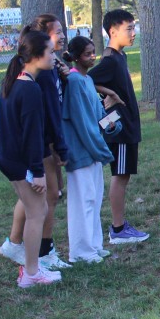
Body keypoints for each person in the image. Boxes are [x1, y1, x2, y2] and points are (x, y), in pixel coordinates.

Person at [0, 14, 71, 270]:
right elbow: (35, 128)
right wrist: (43, 164)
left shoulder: (26, 77)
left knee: (37, 202)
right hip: (32, 152)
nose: (62, 37)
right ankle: (37, 261)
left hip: (22, 154)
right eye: (56, 33)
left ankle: (23, 252)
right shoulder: (31, 84)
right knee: (41, 205)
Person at [88, 9, 149, 246]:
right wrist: (109, 94)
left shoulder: (119, 56)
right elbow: (85, 79)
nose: (133, 33)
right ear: (113, 32)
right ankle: (118, 228)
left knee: (124, 175)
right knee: (120, 175)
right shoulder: (110, 61)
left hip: (129, 126)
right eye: (129, 29)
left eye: (134, 28)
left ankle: (120, 226)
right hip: (119, 129)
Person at [61, 36, 118, 263]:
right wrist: (100, 149)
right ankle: (80, 251)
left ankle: (94, 245)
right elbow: (82, 122)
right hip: (81, 150)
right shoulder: (75, 81)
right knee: (82, 202)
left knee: (94, 198)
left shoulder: (87, 79)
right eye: (87, 54)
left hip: (93, 150)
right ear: (76, 57)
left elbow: (98, 116)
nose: (92, 57)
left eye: (93, 52)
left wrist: (113, 122)